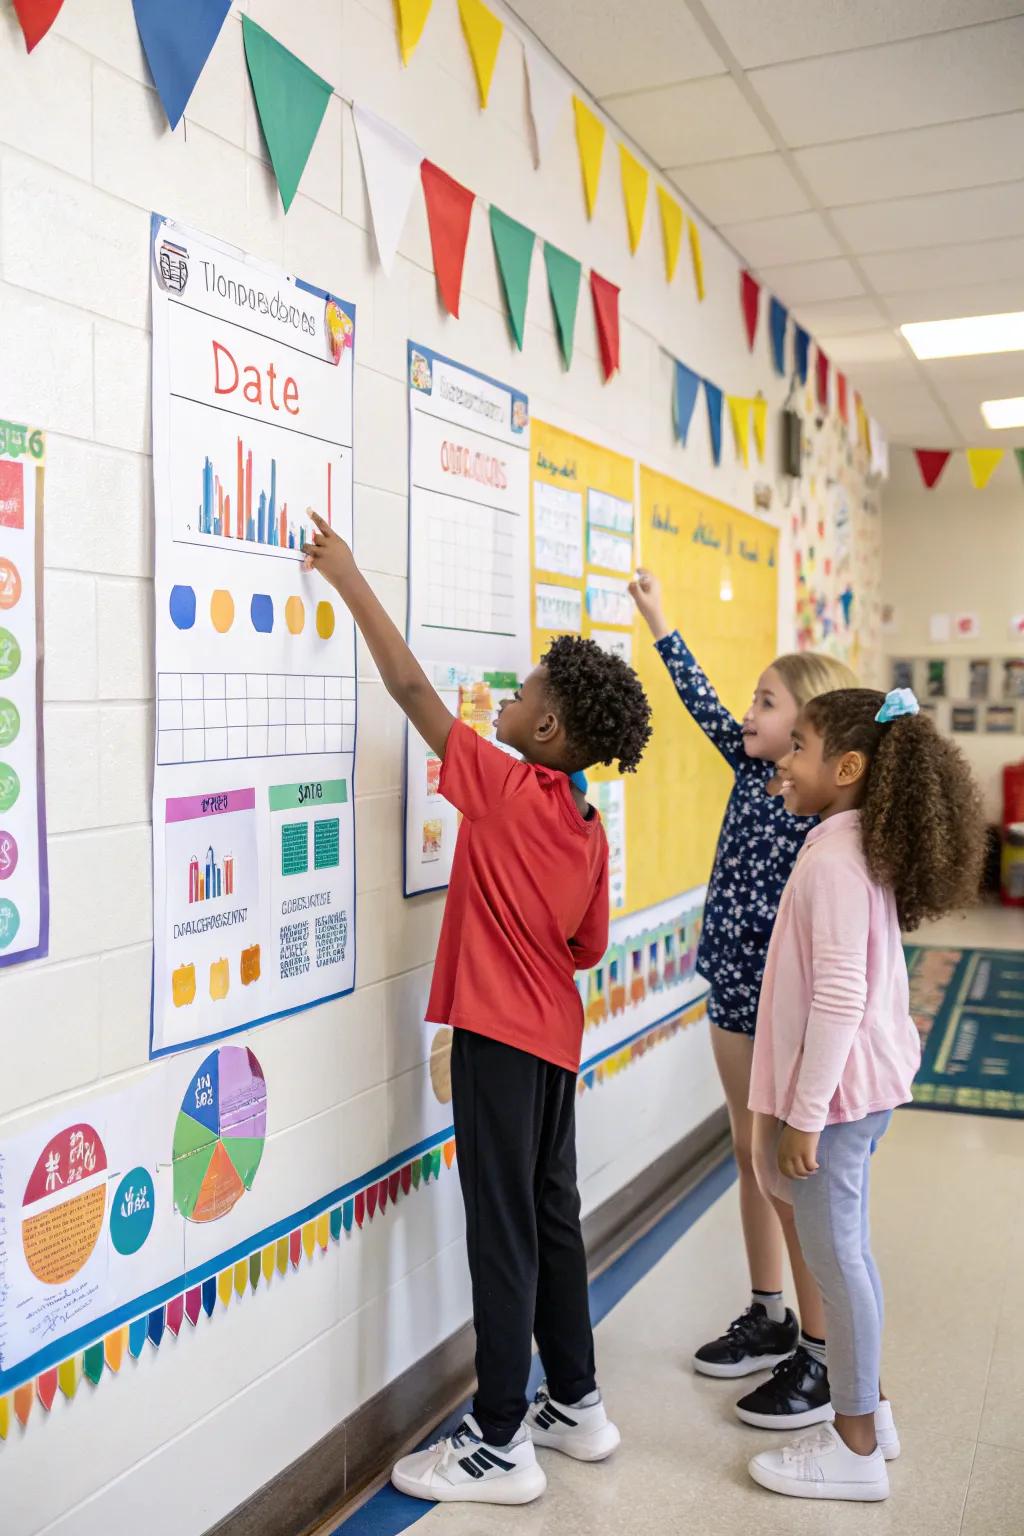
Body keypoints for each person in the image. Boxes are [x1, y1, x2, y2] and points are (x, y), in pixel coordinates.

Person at [304, 512, 653, 1506]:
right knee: (550, 1215)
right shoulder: (582, 822)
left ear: (545, 730)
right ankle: (574, 1403)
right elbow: (587, 947)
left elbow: (410, 691)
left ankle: (500, 1440)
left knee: (500, 1230)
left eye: (524, 692)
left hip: (501, 1043)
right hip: (551, 1043)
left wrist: (348, 574)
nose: (508, 697)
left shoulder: (502, 788)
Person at [629, 568, 858, 1431]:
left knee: (786, 1172)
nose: (748, 713)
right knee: (745, 1151)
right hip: (728, 983)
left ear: (809, 731)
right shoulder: (751, 765)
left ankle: (822, 1352)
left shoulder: (816, 804)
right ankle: (771, 1314)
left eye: (765, 703)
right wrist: (659, 618)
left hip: (785, 1007)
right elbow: (695, 699)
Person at [747, 686, 986, 1502]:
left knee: (838, 1263)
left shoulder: (839, 859)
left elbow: (840, 994)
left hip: (839, 1101)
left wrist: (804, 1117)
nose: (785, 758)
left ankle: (852, 1448)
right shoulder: (844, 844)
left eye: (801, 746)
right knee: (848, 1255)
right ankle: (871, 1411)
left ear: (847, 767)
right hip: (854, 1092)